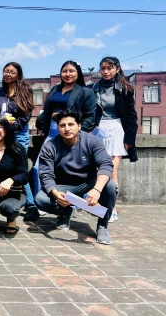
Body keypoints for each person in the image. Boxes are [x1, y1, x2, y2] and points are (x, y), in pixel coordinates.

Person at [27, 60, 97, 221]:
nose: (68, 74)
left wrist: (78, 136)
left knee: (64, 170)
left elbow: (90, 118)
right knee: (39, 169)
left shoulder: (85, 92)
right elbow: (47, 110)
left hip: (72, 134)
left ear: (78, 73)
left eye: (72, 71)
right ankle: (48, 200)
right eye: (65, 71)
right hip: (52, 133)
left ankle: (70, 204)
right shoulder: (55, 89)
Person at [34, 109, 116, 245]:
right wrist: (55, 193)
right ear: (58, 128)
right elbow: (45, 173)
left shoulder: (92, 141)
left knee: (111, 186)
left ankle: (102, 226)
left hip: (89, 182)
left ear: (79, 125)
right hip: (65, 186)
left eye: (71, 124)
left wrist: (96, 189)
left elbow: (106, 165)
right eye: (62, 125)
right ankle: (65, 212)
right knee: (41, 199)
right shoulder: (50, 146)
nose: (67, 128)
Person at [92, 56, 138, 223]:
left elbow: (132, 116)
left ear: (117, 69)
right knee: (95, 169)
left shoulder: (124, 89)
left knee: (111, 171)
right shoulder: (93, 88)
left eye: (109, 68)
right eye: (103, 68)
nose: (106, 71)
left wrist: (130, 139)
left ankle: (112, 208)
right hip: (97, 130)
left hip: (116, 129)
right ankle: (95, 202)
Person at [0, 62, 34, 210]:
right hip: (1, 134)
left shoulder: (25, 90)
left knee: (20, 167)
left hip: (19, 134)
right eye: (6, 71)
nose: (8, 74)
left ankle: (30, 202)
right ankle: (16, 199)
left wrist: (12, 127)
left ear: (18, 75)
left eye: (12, 72)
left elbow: (26, 115)